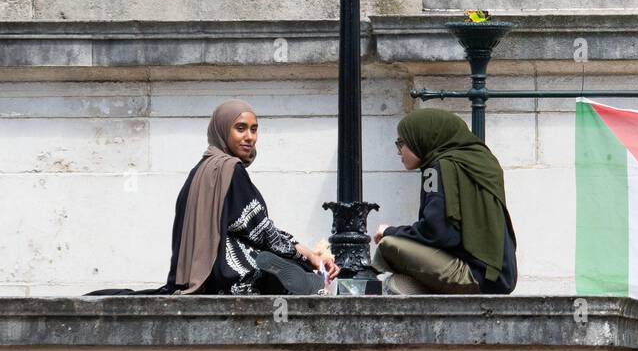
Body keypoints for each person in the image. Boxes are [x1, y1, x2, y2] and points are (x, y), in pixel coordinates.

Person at [165, 99, 339, 295]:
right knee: (292, 270)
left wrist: (309, 254)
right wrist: (308, 257)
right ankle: (304, 280)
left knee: (285, 267)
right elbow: (262, 230)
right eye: (240, 129)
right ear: (222, 130)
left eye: (254, 129)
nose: (250, 137)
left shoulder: (198, 171)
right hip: (230, 273)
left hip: (193, 276)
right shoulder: (231, 169)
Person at [372, 109, 517, 295]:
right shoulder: (480, 163)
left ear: (424, 137)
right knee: (398, 281)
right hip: (500, 277)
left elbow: (439, 233)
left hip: (473, 277)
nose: (399, 151)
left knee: (389, 244)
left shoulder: (439, 168)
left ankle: (366, 277)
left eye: (402, 143)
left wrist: (389, 231)